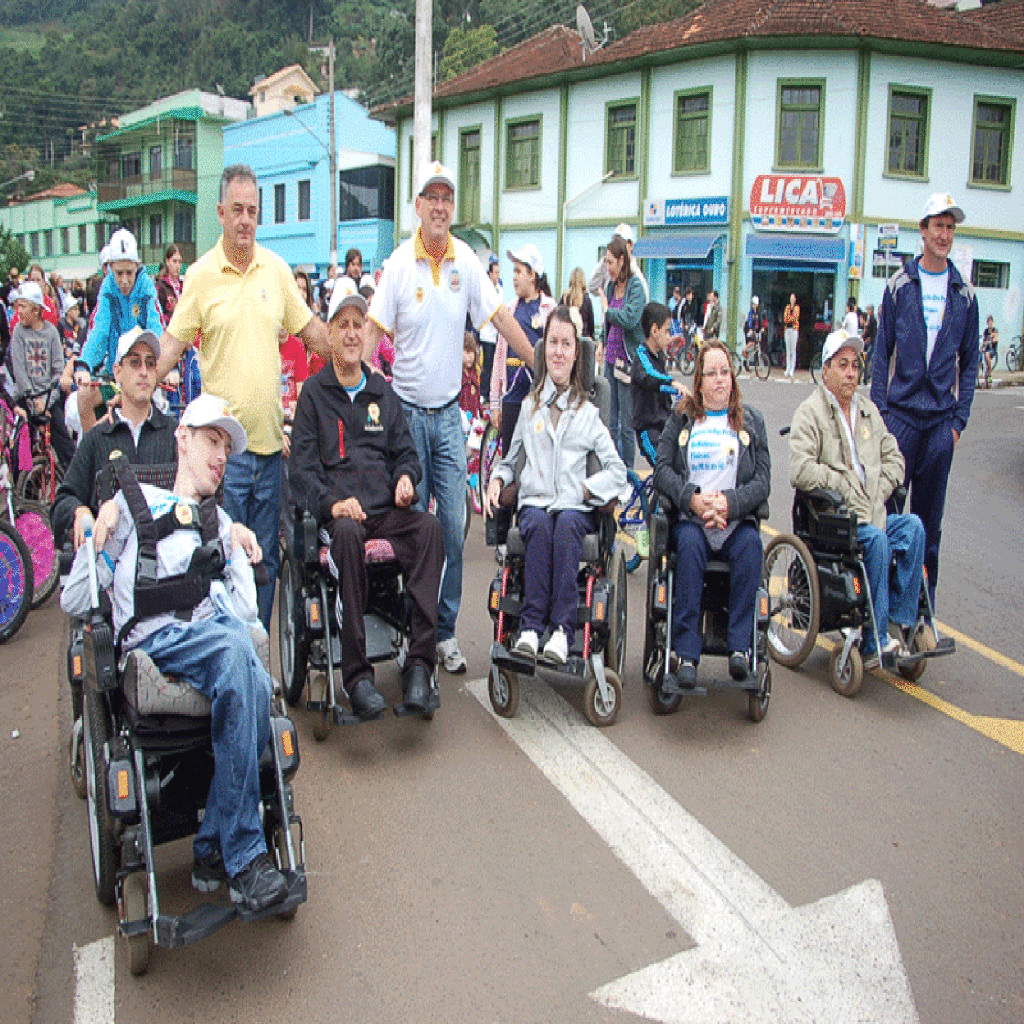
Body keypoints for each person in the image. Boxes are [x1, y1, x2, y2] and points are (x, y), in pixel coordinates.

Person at [61, 394, 291, 912]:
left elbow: (249, 615)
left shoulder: (218, 519)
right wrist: (93, 538)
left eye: (227, 449)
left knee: (252, 667)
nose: (221, 456)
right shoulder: (129, 503)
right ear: (183, 439)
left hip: (214, 636)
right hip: (155, 640)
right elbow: (75, 601)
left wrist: (235, 546)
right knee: (238, 653)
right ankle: (244, 856)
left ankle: (212, 843)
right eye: (213, 441)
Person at [364, 160, 532, 675]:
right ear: (416, 206)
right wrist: (343, 390)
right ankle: (408, 625)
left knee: (454, 523)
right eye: (430, 197)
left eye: (446, 198)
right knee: (409, 527)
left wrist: (541, 362)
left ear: (452, 208)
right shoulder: (397, 267)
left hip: (448, 418)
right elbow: (370, 338)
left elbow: (500, 317)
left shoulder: (464, 261)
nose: (439, 206)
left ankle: (444, 633)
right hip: (406, 418)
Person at [152, 164, 330, 631]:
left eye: (253, 211)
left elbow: (313, 334)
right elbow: (171, 344)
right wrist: (141, 379)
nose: (246, 220)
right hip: (223, 456)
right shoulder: (201, 276)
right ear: (220, 214)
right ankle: (230, 656)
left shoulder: (275, 270)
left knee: (264, 561)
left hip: (271, 451)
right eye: (237, 211)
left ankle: (259, 659)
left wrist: (359, 346)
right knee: (223, 559)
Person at [290, 283, 444, 716]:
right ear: (330, 334)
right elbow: (300, 473)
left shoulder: (382, 392)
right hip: (342, 515)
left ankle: (418, 664)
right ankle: (357, 676)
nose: (353, 333)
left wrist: (407, 478)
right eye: (343, 325)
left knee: (430, 529)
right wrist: (332, 505)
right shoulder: (313, 395)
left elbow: (407, 454)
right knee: (345, 536)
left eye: (359, 325)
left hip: (384, 509)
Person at [486, 307, 625, 664]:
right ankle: (530, 629)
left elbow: (617, 472)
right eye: (553, 343)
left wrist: (585, 490)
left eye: (566, 343)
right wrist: (497, 480)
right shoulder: (530, 406)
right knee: (535, 523)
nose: (559, 351)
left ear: (576, 353)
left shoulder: (588, 412)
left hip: (575, 509)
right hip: (536, 504)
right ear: (543, 349)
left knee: (563, 526)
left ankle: (562, 632)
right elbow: (511, 460)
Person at [790, 329, 924, 665]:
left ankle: (897, 622)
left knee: (913, 528)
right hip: (838, 522)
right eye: (843, 364)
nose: (852, 372)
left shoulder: (869, 411)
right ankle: (872, 641)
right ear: (827, 370)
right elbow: (801, 470)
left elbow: (896, 459)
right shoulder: (810, 413)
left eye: (855, 365)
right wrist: (840, 483)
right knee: (877, 541)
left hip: (874, 513)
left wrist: (880, 486)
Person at [870, 192, 978, 609]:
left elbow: (969, 364)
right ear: (923, 231)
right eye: (938, 226)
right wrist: (880, 414)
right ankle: (884, 606)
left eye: (951, 228)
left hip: (939, 424)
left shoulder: (964, 294)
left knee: (930, 524)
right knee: (890, 517)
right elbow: (881, 355)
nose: (945, 235)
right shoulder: (899, 287)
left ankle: (920, 610)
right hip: (899, 419)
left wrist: (958, 423)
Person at [653, 339, 770, 688]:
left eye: (725, 372)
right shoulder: (683, 419)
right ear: (699, 381)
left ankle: (740, 649)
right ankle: (686, 653)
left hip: (733, 522)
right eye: (711, 373)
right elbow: (661, 469)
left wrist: (729, 504)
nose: (719, 380)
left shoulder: (751, 421)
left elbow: (763, 481)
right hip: (694, 520)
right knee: (687, 548)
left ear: (732, 379)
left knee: (751, 547)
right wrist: (694, 500)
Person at [52, 326, 179, 550]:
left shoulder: (175, 435)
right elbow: (63, 501)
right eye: (135, 362)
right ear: (117, 372)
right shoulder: (97, 438)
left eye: (150, 364)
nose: (144, 372)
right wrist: (78, 510)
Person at [490, 244, 557, 454]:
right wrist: (494, 403)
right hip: (511, 396)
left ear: (533, 275)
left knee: (537, 456)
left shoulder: (550, 310)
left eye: (519, 272)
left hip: (538, 398)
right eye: (514, 272)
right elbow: (498, 357)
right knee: (510, 457)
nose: (514, 278)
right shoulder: (509, 309)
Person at [8, 281, 75, 469]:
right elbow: (19, 370)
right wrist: (32, 401)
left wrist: (47, 400)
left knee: (65, 445)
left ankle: (74, 485)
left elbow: (58, 370)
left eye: (23, 306)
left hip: (48, 398)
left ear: (36, 310)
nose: (18, 311)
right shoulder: (19, 333)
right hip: (26, 398)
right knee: (21, 447)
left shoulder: (51, 332)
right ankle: (22, 490)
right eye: (17, 306)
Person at [77, 229, 163, 377]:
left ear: (137, 265)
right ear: (110, 266)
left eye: (129, 272)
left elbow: (156, 326)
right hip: (115, 371)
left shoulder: (146, 287)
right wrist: (84, 364)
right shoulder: (107, 288)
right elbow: (100, 329)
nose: (124, 281)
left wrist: (167, 366)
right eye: (119, 273)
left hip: (141, 373)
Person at [603, 235, 645, 474]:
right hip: (611, 359)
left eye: (610, 262)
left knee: (626, 425)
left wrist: (608, 310)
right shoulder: (610, 287)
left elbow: (630, 319)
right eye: (606, 263)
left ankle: (628, 474)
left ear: (621, 261)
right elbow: (608, 323)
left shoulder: (636, 286)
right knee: (610, 420)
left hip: (627, 361)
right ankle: (612, 471)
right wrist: (602, 343)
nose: (607, 268)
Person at [631, 301, 679, 468]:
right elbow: (651, 378)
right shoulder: (642, 355)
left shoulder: (659, 355)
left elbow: (661, 387)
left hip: (664, 425)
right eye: (666, 331)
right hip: (648, 430)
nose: (669, 336)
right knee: (663, 468)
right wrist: (672, 382)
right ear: (654, 330)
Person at [588, 223, 650, 303]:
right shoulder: (609, 269)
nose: (618, 246)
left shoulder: (636, 276)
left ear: (631, 245)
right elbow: (593, 288)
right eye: (615, 241)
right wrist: (604, 263)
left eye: (621, 242)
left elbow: (642, 302)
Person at [478, 253, 503, 402]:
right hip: (487, 333)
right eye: (496, 273)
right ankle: (483, 392)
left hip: (497, 334)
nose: (498, 276)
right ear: (490, 274)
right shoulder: (485, 290)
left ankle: (492, 393)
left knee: (495, 364)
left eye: (499, 273)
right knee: (487, 364)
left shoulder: (500, 289)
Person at [561, 266, 595, 343]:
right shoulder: (586, 300)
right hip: (583, 342)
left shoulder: (564, 298)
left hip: (566, 340)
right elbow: (591, 326)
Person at [155, 243, 184, 323]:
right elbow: (157, 315)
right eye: (174, 261)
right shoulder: (160, 287)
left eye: (179, 262)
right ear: (167, 262)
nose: (177, 266)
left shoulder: (185, 286)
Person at [460, 331, 482, 420]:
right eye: (466, 352)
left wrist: (481, 411)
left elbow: (477, 397)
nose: (470, 356)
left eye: (472, 352)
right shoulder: (458, 375)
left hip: (473, 418)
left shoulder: (474, 373)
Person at [783, 293, 800, 378]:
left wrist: (789, 318)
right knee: (788, 350)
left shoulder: (797, 308)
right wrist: (790, 318)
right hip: (787, 329)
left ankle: (792, 369)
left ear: (795, 299)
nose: (791, 299)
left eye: (793, 298)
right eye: (790, 298)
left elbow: (795, 317)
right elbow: (785, 318)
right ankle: (787, 368)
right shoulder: (787, 307)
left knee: (793, 350)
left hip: (794, 330)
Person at [980, 315, 998, 388]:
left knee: (988, 362)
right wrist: (984, 344)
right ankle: (987, 381)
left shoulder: (995, 330)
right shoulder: (986, 331)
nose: (990, 324)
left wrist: (991, 338)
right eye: (988, 322)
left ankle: (989, 378)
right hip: (987, 349)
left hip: (992, 350)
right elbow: (984, 341)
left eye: (991, 322)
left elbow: (996, 339)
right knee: (987, 365)